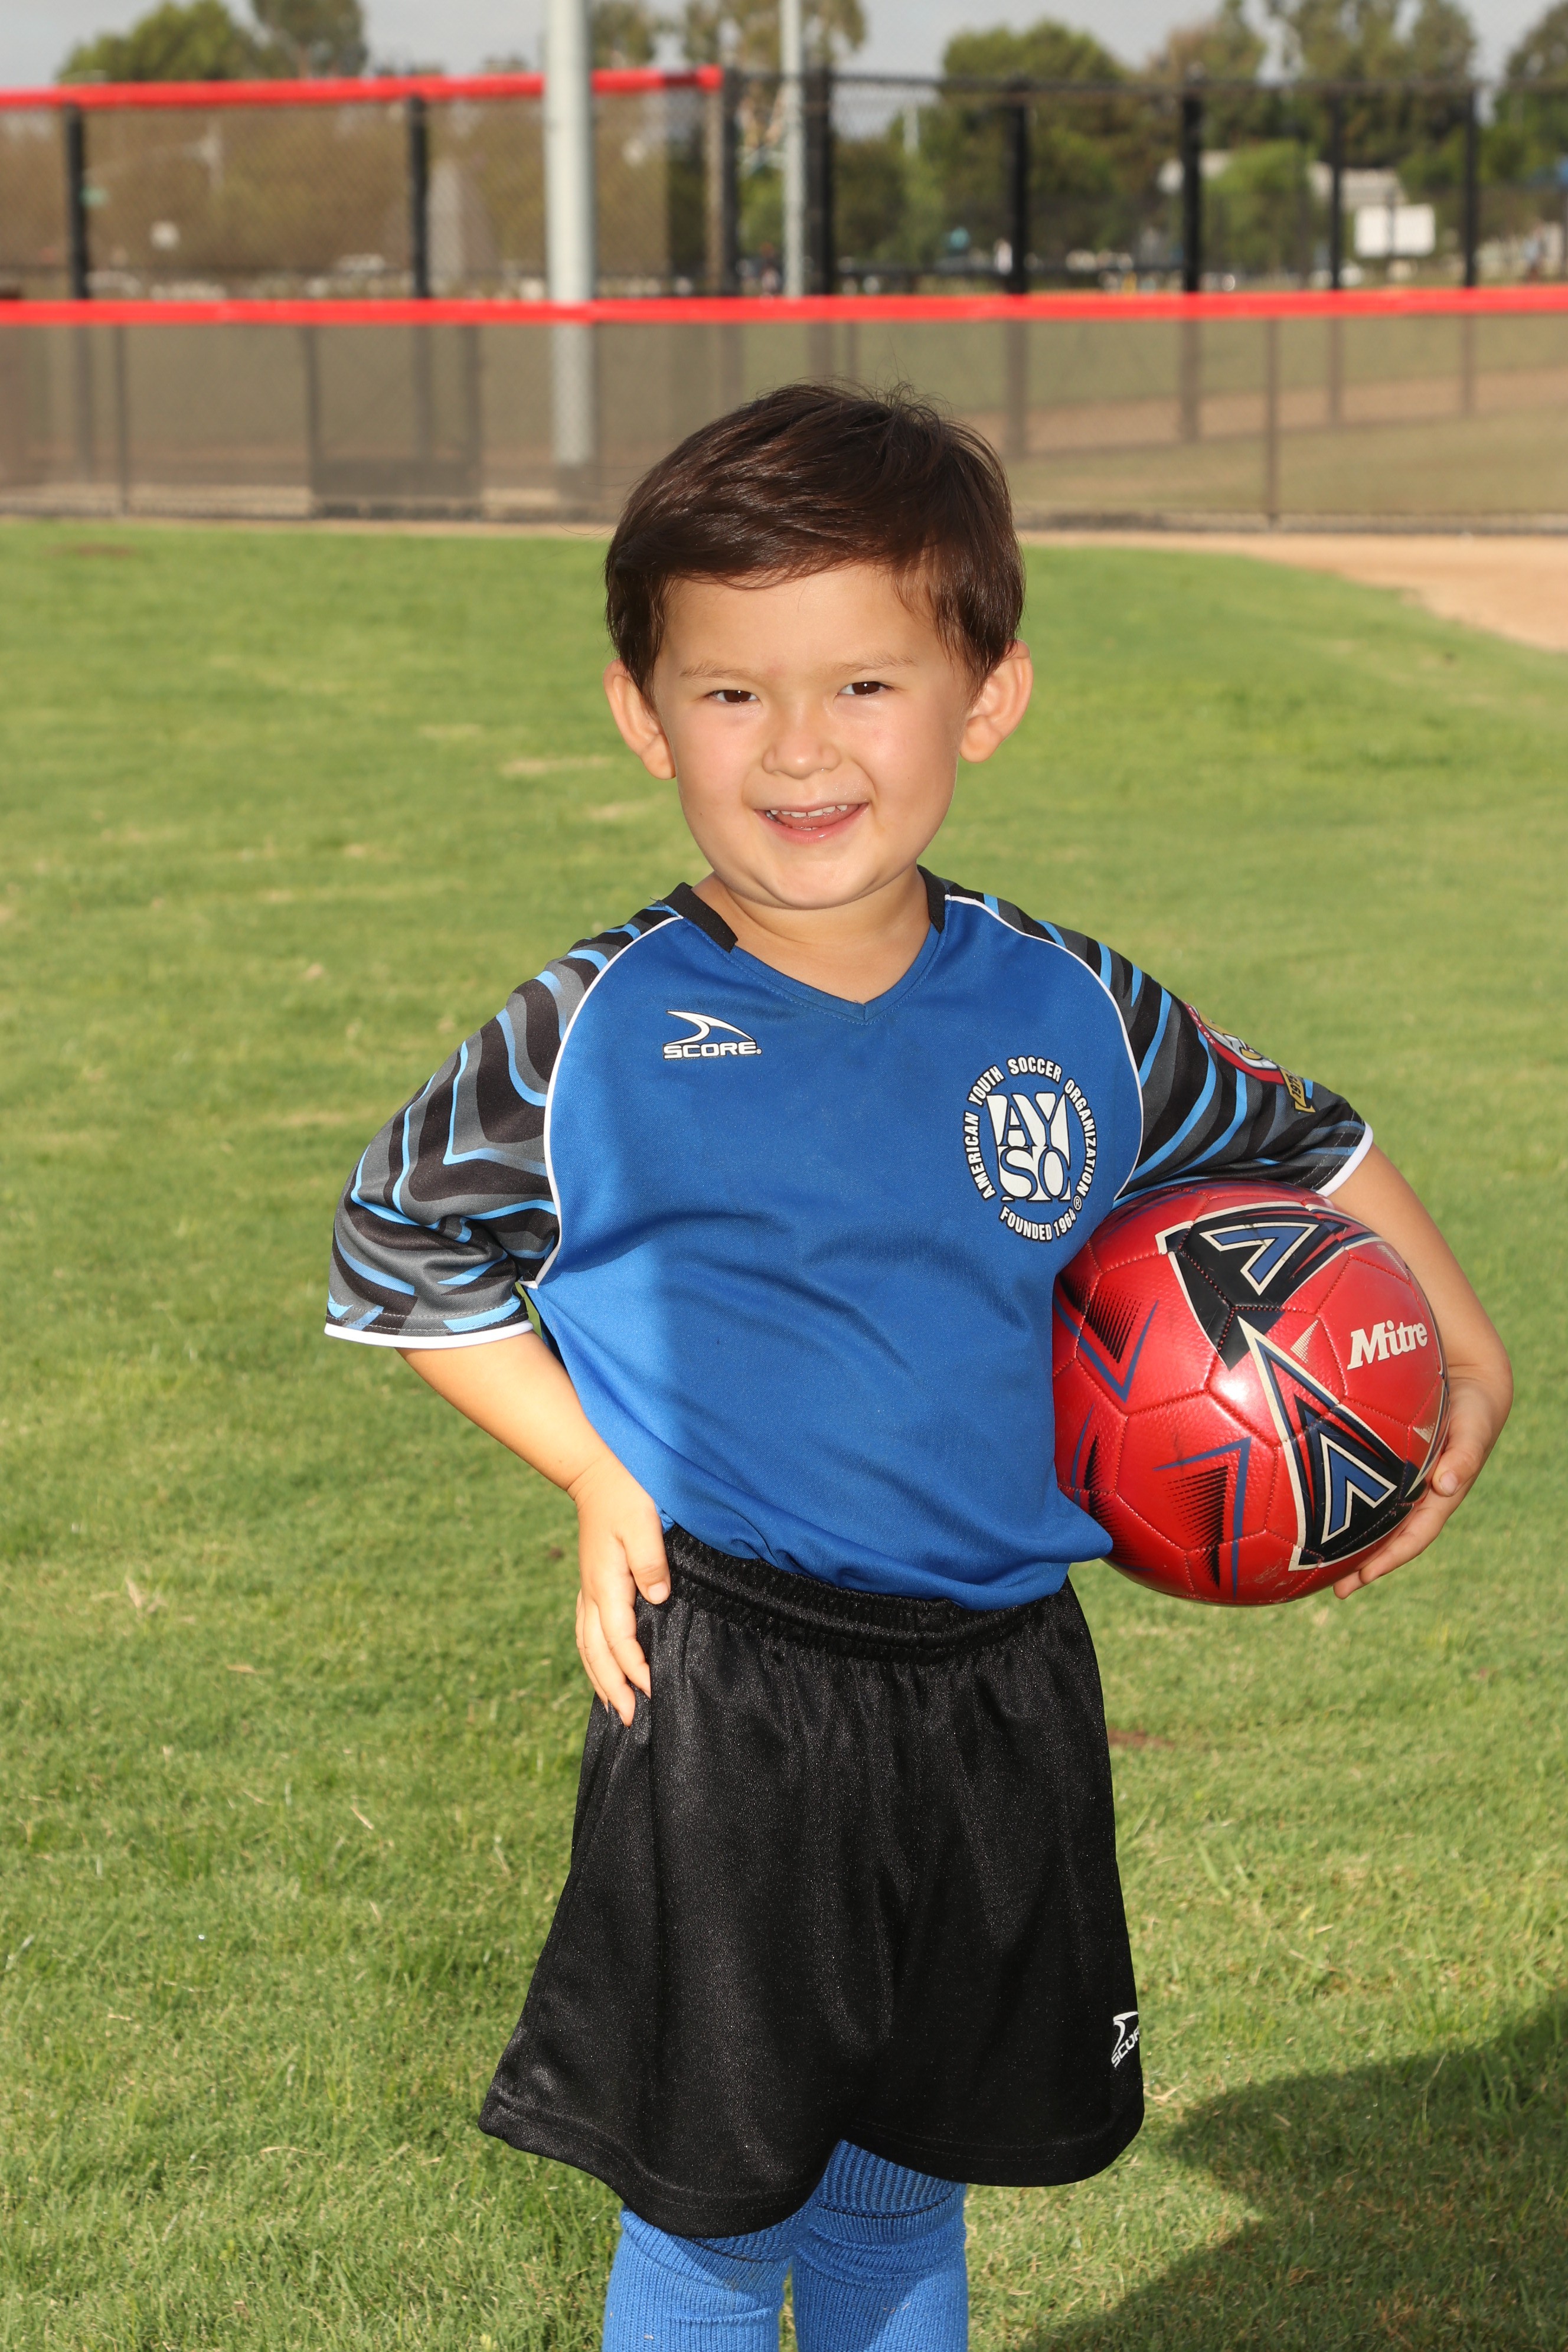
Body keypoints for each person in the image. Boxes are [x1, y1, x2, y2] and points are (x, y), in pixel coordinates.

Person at [324, 384, 1512, 2348]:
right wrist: (596, 1469)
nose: (801, 748)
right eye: (733, 694)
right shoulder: (594, 1027)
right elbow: (400, 1247)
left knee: (901, 2191)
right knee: (717, 2216)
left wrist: (1464, 1349)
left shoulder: (1070, 1003)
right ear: (643, 714)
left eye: (866, 684)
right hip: (736, 1689)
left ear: (988, 695)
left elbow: (1295, 1135)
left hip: (1001, 1688)